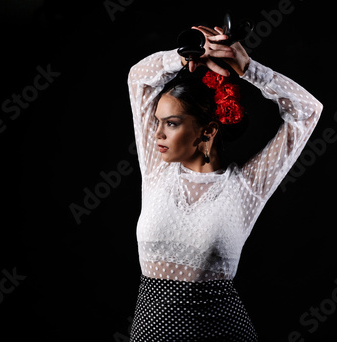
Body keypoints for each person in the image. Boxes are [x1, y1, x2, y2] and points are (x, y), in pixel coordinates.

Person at [127, 24, 323, 341]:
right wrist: (184, 57)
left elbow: (307, 111)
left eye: (172, 124)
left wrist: (248, 69)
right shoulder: (157, 169)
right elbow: (139, 79)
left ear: (207, 131)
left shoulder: (246, 187)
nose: (157, 134)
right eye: (158, 122)